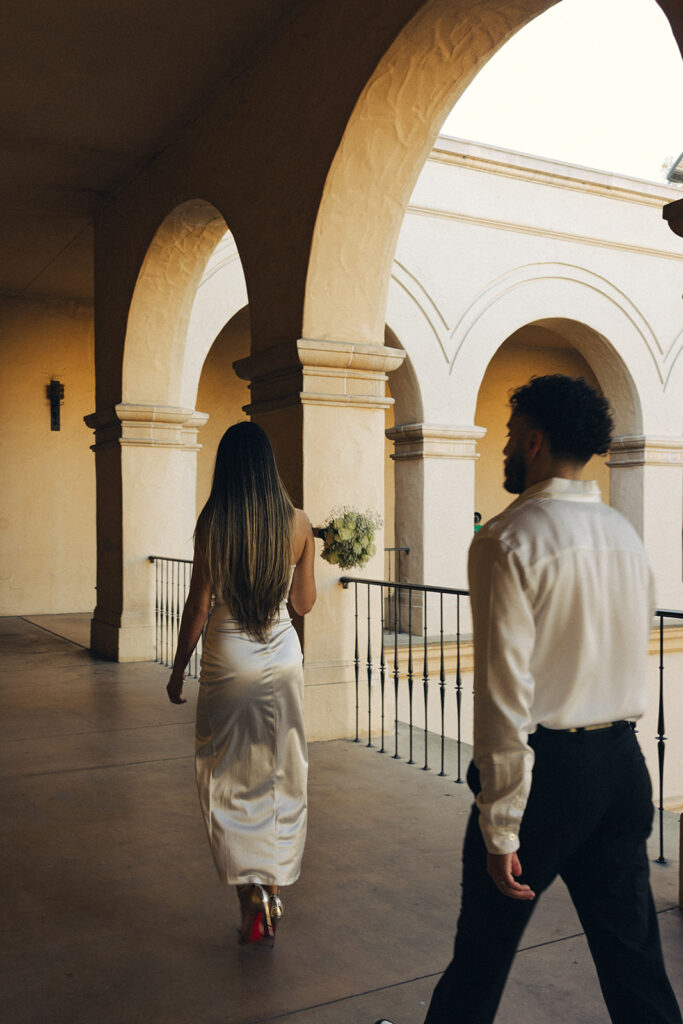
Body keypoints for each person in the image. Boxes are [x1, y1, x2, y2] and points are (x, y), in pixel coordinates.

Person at [376, 375, 682, 1024]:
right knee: (634, 964)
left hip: (549, 777)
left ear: (535, 442)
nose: (504, 448)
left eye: (511, 436)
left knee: (481, 958)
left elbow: (503, 693)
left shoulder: (507, 538)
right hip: (624, 768)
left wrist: (500, 822)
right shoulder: (625, 537)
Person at [167, 421, 316, 946]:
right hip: (281, 661)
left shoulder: (213, 523)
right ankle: (272, 886)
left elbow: (199, 605)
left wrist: (178, 666)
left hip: (229, 660)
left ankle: (249, 897)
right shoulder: (298, 523)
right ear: (268, 464)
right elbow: (301, 605)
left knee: (227, 777)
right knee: (281, 773)